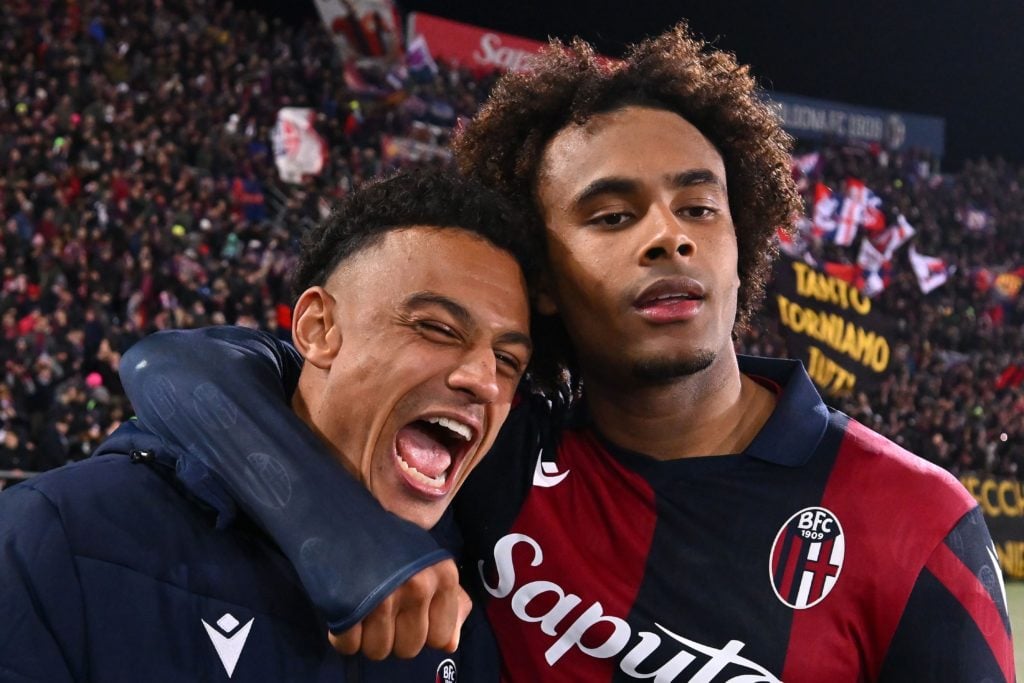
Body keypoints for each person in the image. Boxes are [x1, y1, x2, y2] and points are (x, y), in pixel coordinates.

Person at [118, 25, 1014, 682]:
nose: (670, 237)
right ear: (542, 278)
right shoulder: (490, 447)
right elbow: (180, 370)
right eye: (612, 214)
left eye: (700, 207)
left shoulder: (914, 520)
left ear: (745, 242)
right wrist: (341, 534)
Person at [0, 169, 540, 680]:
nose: (485, 381)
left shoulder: (462, 602)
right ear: (318, 328)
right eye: (438, 328)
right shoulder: (59, 536)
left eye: (509, 361)